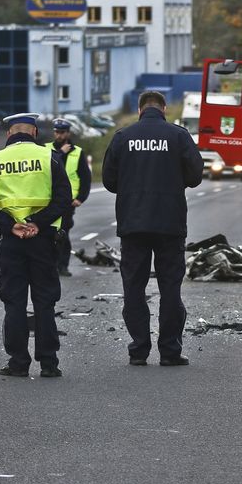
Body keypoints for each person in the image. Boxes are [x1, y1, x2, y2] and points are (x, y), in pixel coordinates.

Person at [102, 91, 204, 367]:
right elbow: (195, 176)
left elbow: (109, 181)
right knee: (170, 288)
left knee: (134, 288)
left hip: (133, 224)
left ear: (139, 109)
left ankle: (139, 350)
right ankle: (170, 351)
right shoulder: (178, 136)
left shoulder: (124, 137)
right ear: (164, 109)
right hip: (170, 224)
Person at [0, 112, 72, 378]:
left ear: (9, 134)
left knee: (14, 301)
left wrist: (11, 225)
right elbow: (63, 199)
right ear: (34, 133)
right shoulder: (48, 158)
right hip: (42, 240)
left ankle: (18, 362)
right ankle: (49, 364)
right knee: (45, 301)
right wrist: (38, 223)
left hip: (11, 241)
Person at [50, 118, 91, 276]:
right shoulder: (48, 149)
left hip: (68, 201)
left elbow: (85, 177)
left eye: (62, 132)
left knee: (63, 233)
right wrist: (61, 154)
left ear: (68, 133)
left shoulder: (78, 152)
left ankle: (63, 265)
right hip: (50, 199)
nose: (59, 135)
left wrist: (81, 198)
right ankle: (52, 265)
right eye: (57, 132)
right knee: (51, 234)